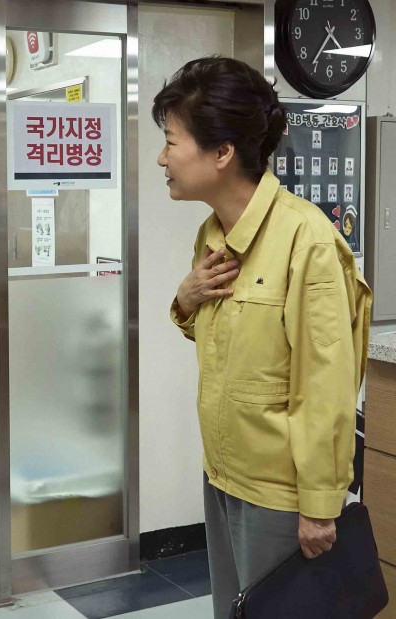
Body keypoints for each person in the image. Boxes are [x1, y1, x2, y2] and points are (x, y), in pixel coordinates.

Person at [154, 57, 372, 619]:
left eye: (171, 141)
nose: (163, 158)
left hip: (281, 493)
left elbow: (327, 386)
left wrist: (321, 506)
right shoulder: (213, 233)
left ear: (221, 152)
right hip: (224, 473)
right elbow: (224, 342)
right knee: (235, 612)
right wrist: (187, 299)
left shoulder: (308, 241)